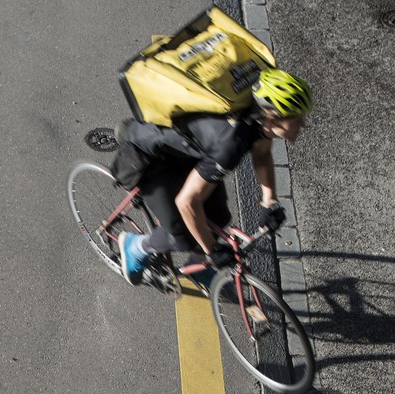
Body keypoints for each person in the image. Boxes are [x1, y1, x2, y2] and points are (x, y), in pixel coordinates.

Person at [116, 68, 312, 287]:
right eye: (297, 119)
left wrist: (270, 201)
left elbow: (262, 153)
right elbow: (187, 202)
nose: (303, 124)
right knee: (182, 235)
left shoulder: (257, 120)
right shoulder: (230, 145)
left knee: (219, 217)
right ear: (272, 116)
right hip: (152, 157)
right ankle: (135, 246)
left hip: (189, 153)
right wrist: (212, 250)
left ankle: (198, 270)